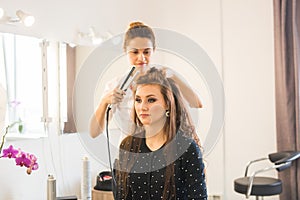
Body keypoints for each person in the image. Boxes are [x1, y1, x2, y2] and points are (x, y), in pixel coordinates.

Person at [89, 21, 203, 138]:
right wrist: (104, 102)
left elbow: (196, 103)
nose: (141, 58)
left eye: (146, 52)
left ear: (153, 49)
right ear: (125, 51)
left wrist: (174, 76)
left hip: (164, 150)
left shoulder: (165, 78)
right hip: (131, 151)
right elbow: (94, 133)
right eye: (135, 52)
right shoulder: (116, 86)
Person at [114, 67, 207, 200]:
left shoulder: (187, 149)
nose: (142, 107)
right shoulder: (127, 146)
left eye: (151, 100)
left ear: (167, 104)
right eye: (138, 100)